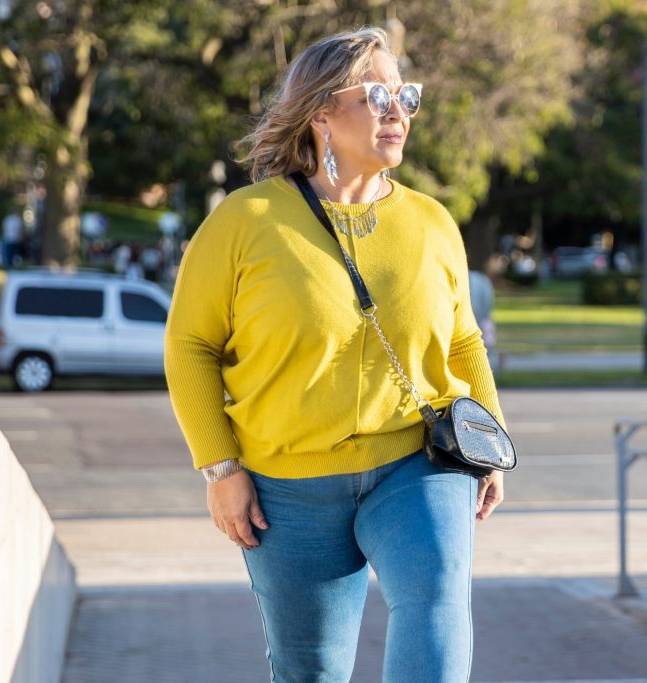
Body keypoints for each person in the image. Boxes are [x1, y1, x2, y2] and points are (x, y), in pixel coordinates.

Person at [163, 28, 506, 683]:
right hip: (285, 489)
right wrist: (219, 468)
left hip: (416, 462)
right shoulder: (245, 221)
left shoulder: (433, 222)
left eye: (406, 95)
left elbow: (463, 339)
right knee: (308, 671)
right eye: (376, 94)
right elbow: (189, 344)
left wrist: (490, 437)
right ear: (320, 113)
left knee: (437, 602)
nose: (397, 111)